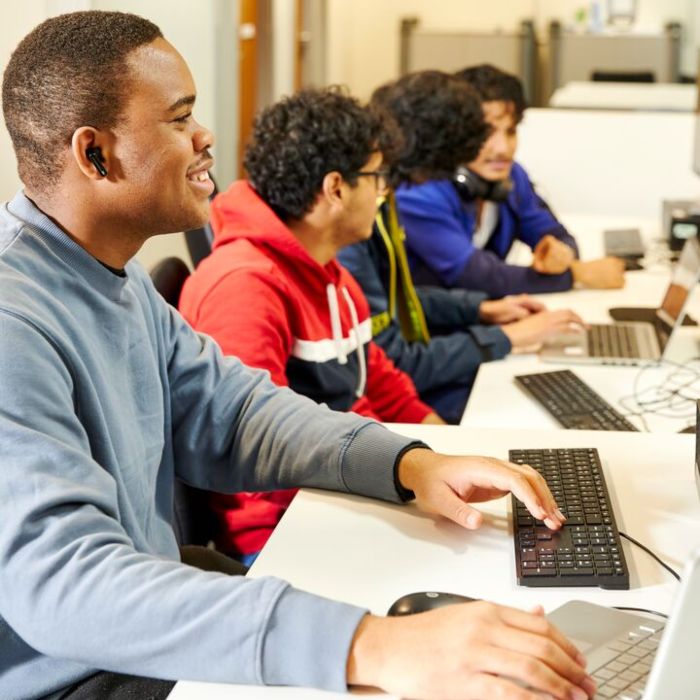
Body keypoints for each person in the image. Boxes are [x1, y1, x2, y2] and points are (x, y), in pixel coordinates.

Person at [0, 11, 595, 700]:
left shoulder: (115, 273)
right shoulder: (15, 320)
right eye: (179, 119)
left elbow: (237, 411)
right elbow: (65, 587)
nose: (206, 137)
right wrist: (371, 645)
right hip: (80, 678)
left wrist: (409, 464)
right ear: (95, 154)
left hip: (141, 638)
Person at [179, 87, 444, 563]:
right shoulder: (244, 287)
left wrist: (439, 451)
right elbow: (254, 448)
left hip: (343, 491)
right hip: (284, 534)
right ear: (336, 188)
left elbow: (379, 380)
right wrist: (400, 481)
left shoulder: (328, 270)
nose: (385, 193)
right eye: (377, 178)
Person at [338, 71, 585, 424]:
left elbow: (400, 300)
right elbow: (395, 361)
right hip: (389, 397)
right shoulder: (363, 226)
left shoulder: (386, 202)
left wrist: (480, 309)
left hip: (402, 386)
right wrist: (505, 337)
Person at [393, 64, 625, 298]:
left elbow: (554, 233)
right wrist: (576, 275)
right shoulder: (418, 192)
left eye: (511, 131)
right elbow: (477, 277)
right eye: (486, 133)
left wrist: (562, 253)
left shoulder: (511, 176)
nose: (503, 149)